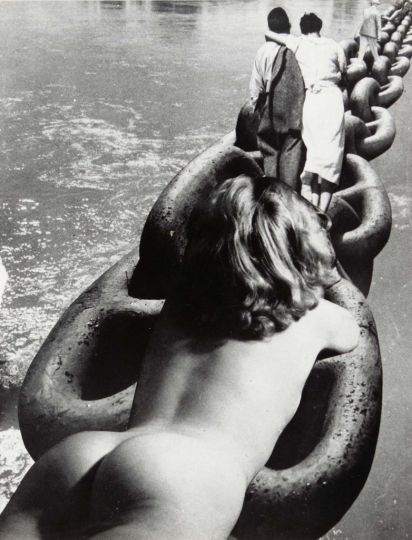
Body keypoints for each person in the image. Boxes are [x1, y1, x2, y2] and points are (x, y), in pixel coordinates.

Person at [0, 175, 359, 540]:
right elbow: (352, 329)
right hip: (188, 472)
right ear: (303, 248)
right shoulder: (319, 318)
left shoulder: (179, 307)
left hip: (83, 454)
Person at [266, 12, 346, 212]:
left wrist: (292, 36)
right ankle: (322, 211)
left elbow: (270, 34)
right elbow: (344, 71)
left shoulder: (298, 44)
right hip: (332, 100)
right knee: (332, 156)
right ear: (319, 27)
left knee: (314, 155)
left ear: (302, 29)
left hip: (312, 102)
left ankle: (311, 206)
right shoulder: (334, 45)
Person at [248, 7, 306, 190]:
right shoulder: (296, 46)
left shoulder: (262, 51)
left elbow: (255, 86)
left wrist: (257, 109)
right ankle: (288, 191)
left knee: (269, 150)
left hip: (267, 106)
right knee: (291, 150)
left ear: (270, 27)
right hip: (292, 107)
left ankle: (271, 191)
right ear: (288, 26)